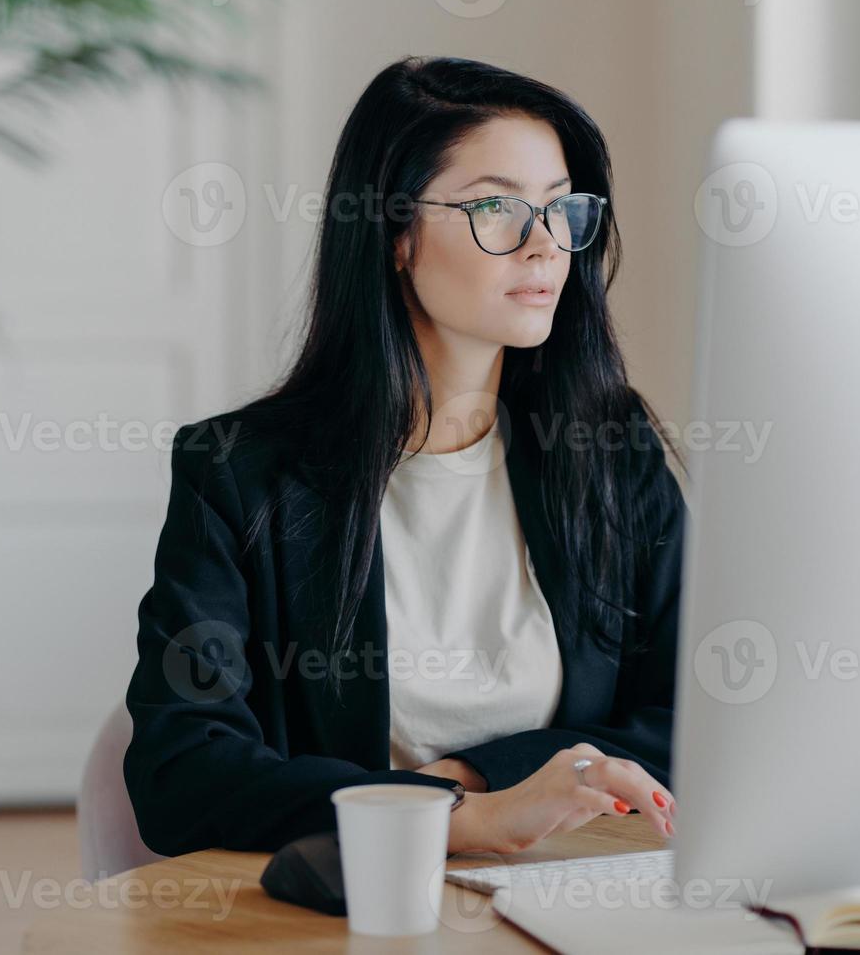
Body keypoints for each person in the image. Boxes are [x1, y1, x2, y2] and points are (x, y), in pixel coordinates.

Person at [124, 55, 685, 858]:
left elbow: (696, 715)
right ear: (394, 234)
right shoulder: (241, 474)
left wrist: (478, 776)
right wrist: (462, 818)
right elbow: (182, 770)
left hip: (578, 887)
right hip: (351, 906)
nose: (546, 247)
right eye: (497, 206)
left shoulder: (608, 449)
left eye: (563, 210)